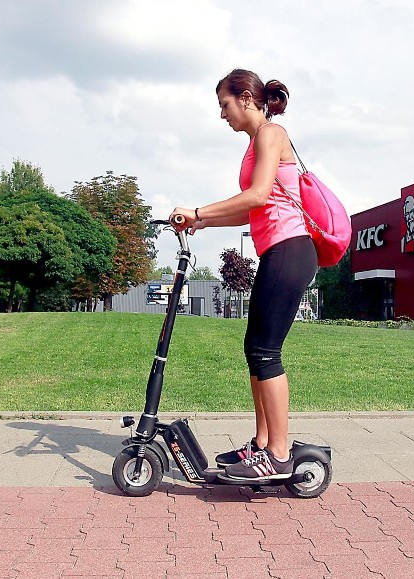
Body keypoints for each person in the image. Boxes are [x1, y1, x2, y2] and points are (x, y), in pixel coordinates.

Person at [170, 69, 318, 481]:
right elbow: (251, 207)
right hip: (277, 251)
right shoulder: (255, 143)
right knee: (255, 348)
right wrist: (202, 223)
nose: (223, 114)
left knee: (267, 351)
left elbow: (257, 194)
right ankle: (262, 444)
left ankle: (280, 453)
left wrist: (199, 210)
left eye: (225, 104)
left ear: (248, 98)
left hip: (290, 249)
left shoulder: (272, 135)